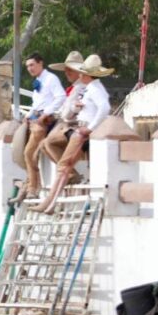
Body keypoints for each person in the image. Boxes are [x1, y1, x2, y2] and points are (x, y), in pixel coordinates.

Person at [36, 54, 113, 213]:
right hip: (80, 129)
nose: (80, 75)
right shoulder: (92, 88)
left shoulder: (94, 89)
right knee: (64, 166)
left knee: (63, 166)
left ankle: (50, 203)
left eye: (82, 73)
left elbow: (104, 108)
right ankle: (50, 202)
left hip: (82, 132)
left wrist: (90, 127)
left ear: (87, 75)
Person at [16, 53, 69, 202]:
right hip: (35, 119)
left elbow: (61, 97)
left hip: (43, 121)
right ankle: (29, 185)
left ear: (41, 63)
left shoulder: (51, 79)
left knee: (28, 153)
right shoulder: (38, 81)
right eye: (27, 66)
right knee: (24, 150)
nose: (30, 68)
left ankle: (33, 187)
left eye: (32, 65)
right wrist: (28, 115)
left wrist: (45, 114)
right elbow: (37, 103)